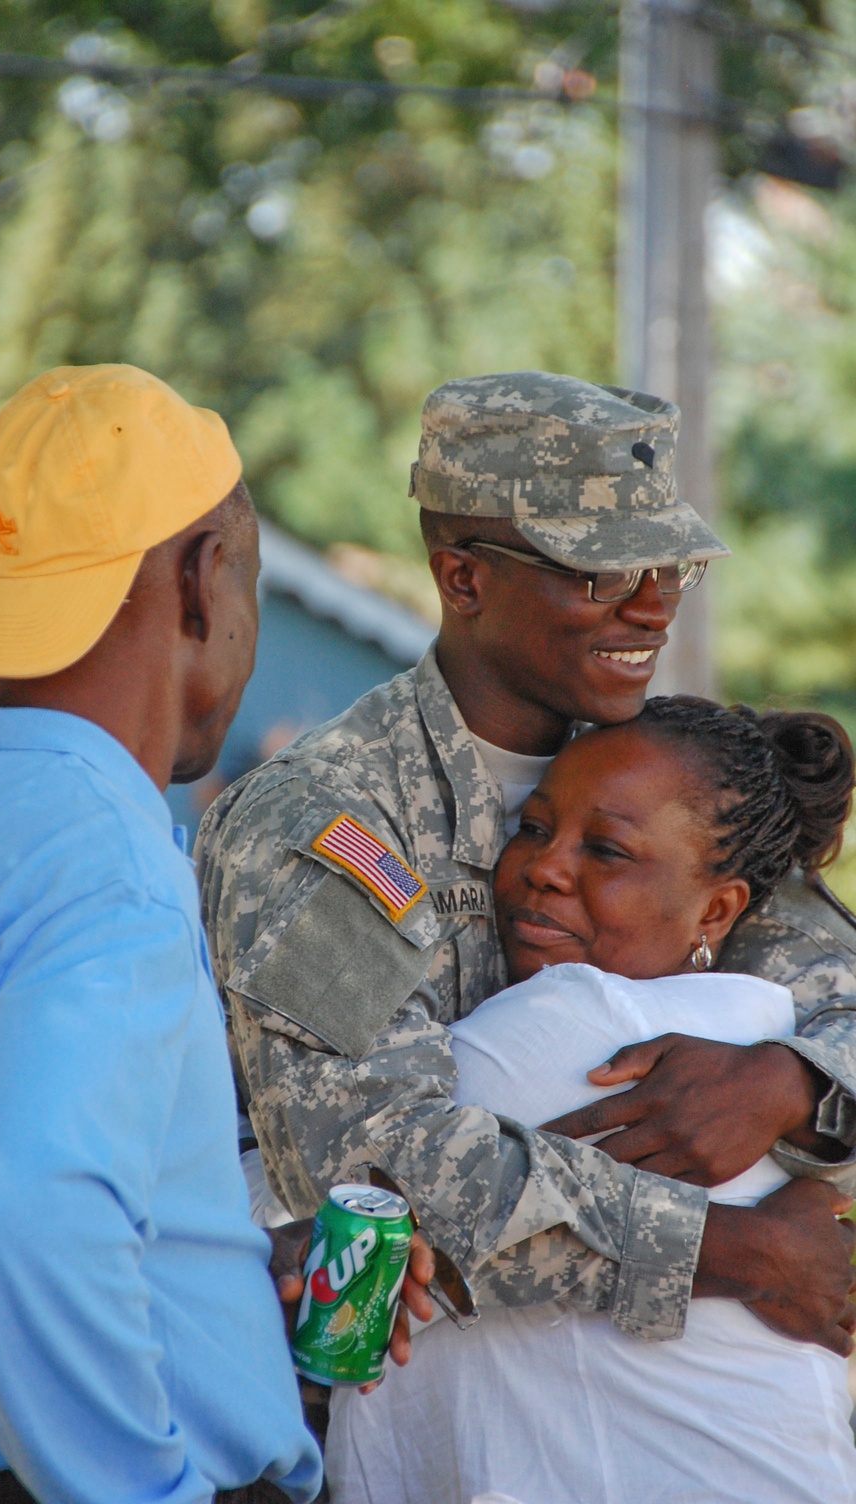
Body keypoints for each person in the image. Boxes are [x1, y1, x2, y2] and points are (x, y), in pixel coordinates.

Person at [196, 371, 856, 1358]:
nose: (651, 607)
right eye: (603, 573)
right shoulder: (330, 820)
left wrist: (792, 1086)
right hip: (396, 1422)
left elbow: (834, 993)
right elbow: (376, 1173)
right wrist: (743, 1247)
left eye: (669, 566)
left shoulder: (666, 776)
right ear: (465, 577)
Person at [0, 365, 324, 1504]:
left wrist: (196, 1278)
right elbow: (26, 1213)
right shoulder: (104, 862)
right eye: (251, 579)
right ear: (207, 580)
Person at [326, 697, 856, 1504]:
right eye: (532, 828)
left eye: (606, 850)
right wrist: (746, 1245)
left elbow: (330, 1201)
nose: (544, 866)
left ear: (718, 910)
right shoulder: (764, 1026)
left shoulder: (576, 1025)